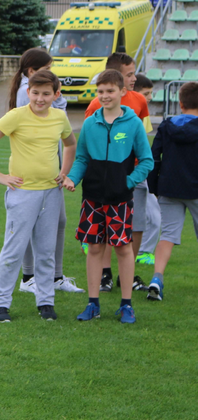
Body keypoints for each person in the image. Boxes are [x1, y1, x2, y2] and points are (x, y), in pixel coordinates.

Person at [0, 70, 77, 322]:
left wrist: (64, 172)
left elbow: (70, 144)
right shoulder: (16, 115)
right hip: (22, 194)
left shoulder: (59, 117)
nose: (40, 99)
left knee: (46, 251)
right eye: (35, 93)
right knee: (13, 250)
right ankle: (0, 303)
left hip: (51, 193)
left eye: (46, 94)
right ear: (28, 92)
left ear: (56, 94)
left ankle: (45, 302)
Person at [63, 70, 153, 324]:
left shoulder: (133, 123)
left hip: (120, 199)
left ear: (122, 92)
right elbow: (82, 158)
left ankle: (126, 305)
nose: (104, 96)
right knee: (94, 248)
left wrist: (127, 182)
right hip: (92, 197)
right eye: (100, 91)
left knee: (123, 248)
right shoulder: (90, 122)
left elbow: (146, 161)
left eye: (110, 91)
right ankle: (93, 304)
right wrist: (73, 178)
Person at [8, 48, 83, 294]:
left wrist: (63, 169)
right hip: (34, 177)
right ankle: (30, 277)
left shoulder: (44, 96)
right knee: (30, 224)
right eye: (47, 68)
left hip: (51, 172)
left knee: (59, 221)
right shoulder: (25, 94)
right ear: (32, 73)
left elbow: (65, 136)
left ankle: (54, 277)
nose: (51, 73)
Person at [83, 53, 152, 292]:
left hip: (130, 178)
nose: (134, 78)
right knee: (100, 239)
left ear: (120, 91)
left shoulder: (140, 103)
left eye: (134, 73)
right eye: (129, 74)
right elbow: (89, 146)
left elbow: (144, 144)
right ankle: (105, 275)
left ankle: (127, 278)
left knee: (135, 226)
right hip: (100, 183)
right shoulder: (94, 108)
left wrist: (131, 179)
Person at [145, 82, 198, 302]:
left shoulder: (167, 126)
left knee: (167, 236)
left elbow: (154, 157)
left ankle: (157, 278)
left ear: (181, 103)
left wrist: (154, 186)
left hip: (169, 187)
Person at [132, 74, 160, 266]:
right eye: (146, 93)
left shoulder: (141, 111)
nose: (149, 97)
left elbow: (145, 137)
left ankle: (144, 251)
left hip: (140, 171)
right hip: (131, 172)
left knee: (154, 216)